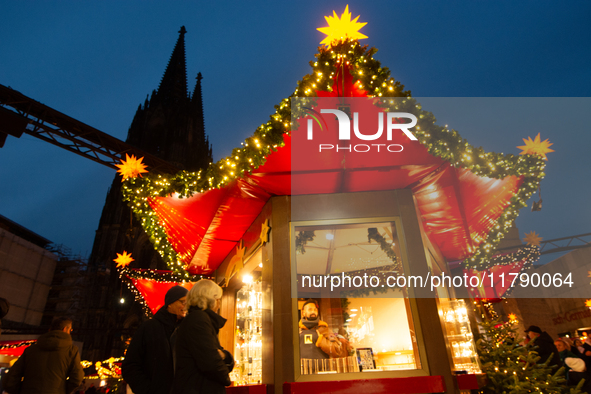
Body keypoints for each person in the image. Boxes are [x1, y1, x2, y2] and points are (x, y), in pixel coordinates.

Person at [122, 285, 188, 394]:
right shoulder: (149, 328)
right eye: (183, 302)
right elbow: (130, 365)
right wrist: (147, 390)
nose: (186, 307)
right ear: (170, 304)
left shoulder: (186, 329)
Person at [172, 279, 234, 394]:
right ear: (211, 300)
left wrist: (224, 356)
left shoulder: (197, 319)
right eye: (218, 299)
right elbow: (210, 361)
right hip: (199, 388)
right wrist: (226, 378)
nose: (219, 304)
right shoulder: (198, 320)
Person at [4, 316, 84, 394]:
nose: (71, 331)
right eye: (70, 329)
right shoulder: (72, 351)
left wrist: (22, 390)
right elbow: (77, 378)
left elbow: (11, 377)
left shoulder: (30, 350)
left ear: (50, 329)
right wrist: (61, 390)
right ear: (65, 329)